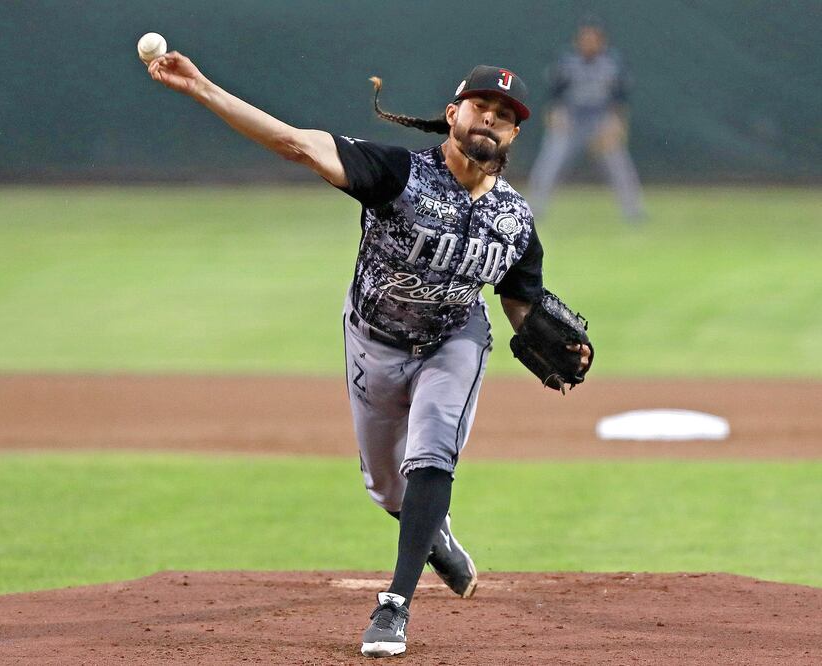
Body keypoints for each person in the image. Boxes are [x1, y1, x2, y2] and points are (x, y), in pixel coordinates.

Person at [145, 53, 591, 658]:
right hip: (373, 343)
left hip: (455, 341)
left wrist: (556, 339)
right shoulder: (397, 173)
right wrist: (200, 87)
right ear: (453, 114)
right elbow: (295, 144)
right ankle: (434, 537)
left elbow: (519, 299)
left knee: (433, 451)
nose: (491, 119)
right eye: (481, 106)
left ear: (514, 134)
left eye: (505, 115)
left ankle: (396, 604)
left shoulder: (515, 220)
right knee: (387, 485)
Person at [527, 19, 646, 220]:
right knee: (550, 162)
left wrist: (616, 126)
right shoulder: (567, 62)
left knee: (619, 166)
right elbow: (553, 97)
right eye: (585, 38)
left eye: (593, 39)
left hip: (600, 121)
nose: (588, 43)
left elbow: (620, 99)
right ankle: (532, 209)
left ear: (602, 41)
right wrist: (556, 119)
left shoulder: (612, 63)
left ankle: (633, 211)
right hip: (571, 120)